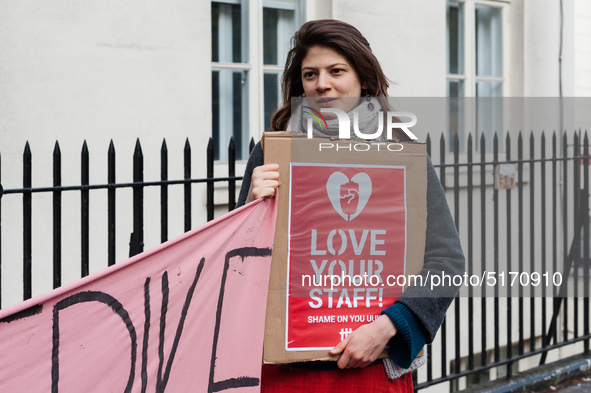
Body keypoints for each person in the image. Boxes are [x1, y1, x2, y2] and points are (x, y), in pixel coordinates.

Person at [237, 19, 465, 393]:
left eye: (336, 71)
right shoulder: (272, 151)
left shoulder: (400, 152)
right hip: (286, 372)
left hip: (372, 368)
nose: (321, 83)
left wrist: (390, 326)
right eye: (310, 74)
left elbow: (446, 260)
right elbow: (239, 264)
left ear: (364, 79)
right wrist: (249, 211)